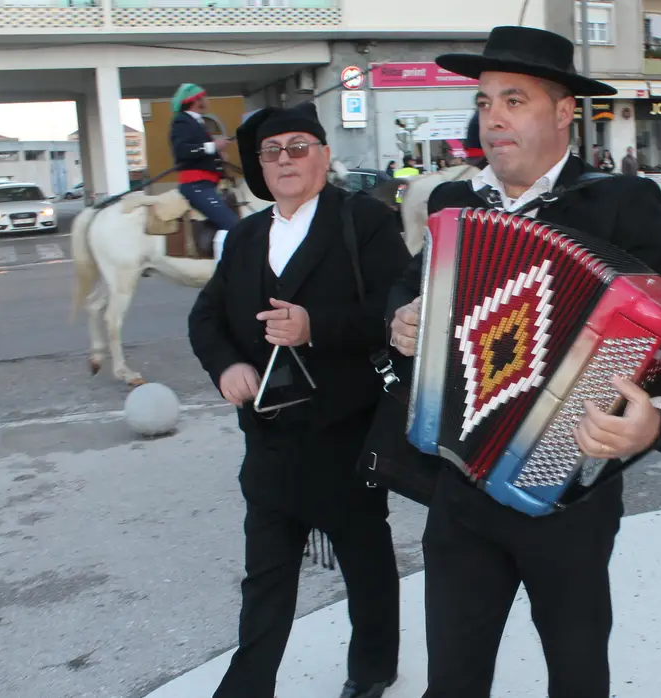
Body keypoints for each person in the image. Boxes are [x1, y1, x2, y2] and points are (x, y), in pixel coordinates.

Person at [385, 25, 661, 698]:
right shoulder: (453, 205)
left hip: (567, 493)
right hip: (460, 484)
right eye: (486, 100)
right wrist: (401, 319)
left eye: (513, 100)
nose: (492, 116)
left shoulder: (620, 204)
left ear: (562, 112)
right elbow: (411, 285)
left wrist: (653, 421)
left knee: (577, 675)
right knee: (453, 680)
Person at [187, 101, 411, 698]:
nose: (284, 161)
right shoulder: (245, 237)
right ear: (260, 168)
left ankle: (372, 669)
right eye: (271, 152)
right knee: (265, 575)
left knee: (364, 562)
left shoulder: (363, 221)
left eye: (297, 147)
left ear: (323, 156)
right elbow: (205, 318)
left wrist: (317, 327)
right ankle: (247, 687)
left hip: (347, 434)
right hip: (268, 439)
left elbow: (396, 312)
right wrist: (226, 364)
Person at [169, 83, 240, 261]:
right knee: (232, 225)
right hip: (196, 185)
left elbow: (202, 151)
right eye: (204, 97)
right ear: (195, 101)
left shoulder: (196, 122)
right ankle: (225, 271)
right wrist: (212, 146)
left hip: (208, 184)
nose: (207, 100)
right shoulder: (182, 121)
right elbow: (182, 150)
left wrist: (217, 153)